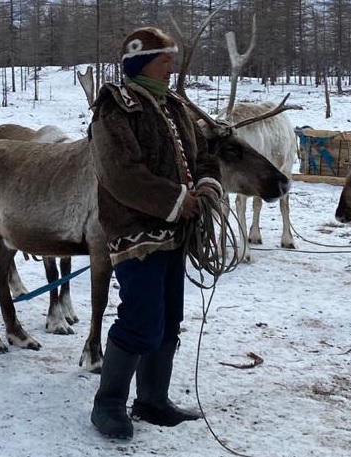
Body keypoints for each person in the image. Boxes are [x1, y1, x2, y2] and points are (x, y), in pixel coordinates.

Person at [87, 26, 223, 440]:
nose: (171, 66)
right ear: (142, 61)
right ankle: (107, 404)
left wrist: (206, 185)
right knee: (140, 319)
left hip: (175, 235)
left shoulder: (175, 105)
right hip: (137, 234)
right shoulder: (115, 108)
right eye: (165, 59)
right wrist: (174, 199)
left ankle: (151, 399)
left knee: (169, 318)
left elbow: (202, 155)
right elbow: (119, 174)